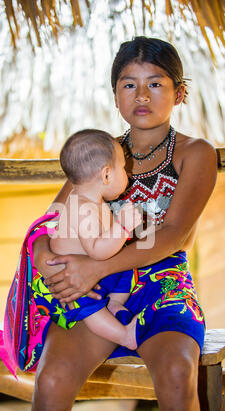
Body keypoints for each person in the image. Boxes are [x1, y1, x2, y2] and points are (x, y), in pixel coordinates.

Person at [29, 36, 217, 411]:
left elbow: (174, 235)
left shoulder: (196, 153)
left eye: (156, 83)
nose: (142, 95)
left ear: (179, 93)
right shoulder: (98, 155)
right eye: (129, 84)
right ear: (115, 95)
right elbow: (53, 218)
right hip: (94, 289)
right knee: (52, 381)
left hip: (160, 283)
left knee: (176, 373)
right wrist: (42, 253)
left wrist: (95, 266)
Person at [44, 128, 142, 350]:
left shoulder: (92, 201)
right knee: (87, 305)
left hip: (94, 271)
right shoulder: (82, 207)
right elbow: (97, 250)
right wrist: (123, 227)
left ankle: (114, 305)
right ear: (107, 175)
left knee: (127, 266)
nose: (128, 175)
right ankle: (124, 335)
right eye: (124, 170)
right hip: (72, 281)